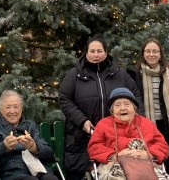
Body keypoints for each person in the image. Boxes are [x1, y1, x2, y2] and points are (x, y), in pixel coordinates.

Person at [58, 36, 143, 180]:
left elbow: (136, 99)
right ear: (86, 53)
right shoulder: (73, 75)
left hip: (117, 136)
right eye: (92, 51)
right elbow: (64, 99)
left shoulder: (120, 74)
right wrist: (82, 121)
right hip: (83, 137)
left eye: (99, 51)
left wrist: (134, 122)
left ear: (106, 52)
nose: (96, 55)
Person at [128, 38, 169, 180]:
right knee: (149, 166)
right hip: (146, 127)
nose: (151, 54)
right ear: (143, 54)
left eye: (155, 51)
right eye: (148, 51)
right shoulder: (136, 75)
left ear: (160, 54)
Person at [88, 88, 169, 176]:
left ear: (134, 108)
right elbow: (94, 147)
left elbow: (162, 145)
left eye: (127, 104)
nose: (122, 108)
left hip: (147, 165)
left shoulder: (147, 123)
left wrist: (150, 154)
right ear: (112, 110)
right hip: (115, 166)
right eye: (117, 105)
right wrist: (114, 156)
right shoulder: (103, 124)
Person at [0, 90, 56, 180]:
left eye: (16, 107)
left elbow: (50, 154)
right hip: (11, 173)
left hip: (38, 170)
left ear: (21, 108)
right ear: (0, 109)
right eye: (8, 107)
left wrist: (34, 147)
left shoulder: (30, 125)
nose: (12, 111)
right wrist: (3, 147)